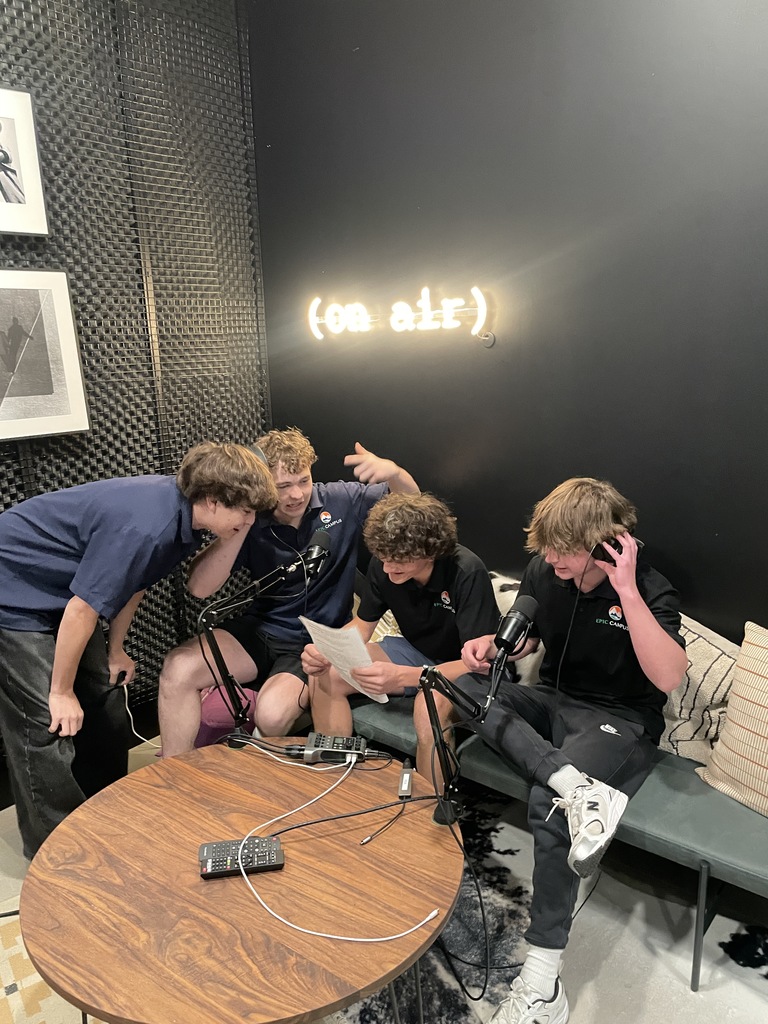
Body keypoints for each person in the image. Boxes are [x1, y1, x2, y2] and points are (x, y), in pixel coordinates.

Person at [458, 477, 687, 1024]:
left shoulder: (651, 589)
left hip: (619, 721)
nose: (550, 560)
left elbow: (669, 677)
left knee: (549, 805)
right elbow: (535, 638)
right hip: (552, 701)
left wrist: (626, 591)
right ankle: (572, 783)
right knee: (463, 688)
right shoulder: (546, 572)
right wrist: (500, 647)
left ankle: (543, 983)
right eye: (546, 549)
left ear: (607, 546)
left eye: (563, 550)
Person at [0, 442, 278, 859]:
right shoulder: (145, 525)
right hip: (14, 593)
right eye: (245, 511)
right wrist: (60, 691)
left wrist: (116, 651)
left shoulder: (184, 522)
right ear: (212, 500)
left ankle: (104, 809)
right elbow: (82, 609)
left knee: (105, 702)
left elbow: (134, 584)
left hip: (67, 596)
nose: (249, 521)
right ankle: (57, 852)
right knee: (48, 721)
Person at [158, 428, 419, 755]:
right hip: (260, 629)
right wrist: (244, 524)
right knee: (178, 668)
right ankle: (174, 773)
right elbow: (199, 588)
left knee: (272, 714)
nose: (296, 494)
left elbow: (413, 505)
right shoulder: (251, 516)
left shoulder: (341, 500)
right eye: (282, 486)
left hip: (313, 641)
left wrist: (395, 473)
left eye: (303, 481)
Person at [304, 492, 500, 784]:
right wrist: (327, 650)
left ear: (430, 551)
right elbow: (362, 625)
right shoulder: (385, 564)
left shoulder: (467, 571)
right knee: (327, 673)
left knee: (428, 705)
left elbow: (479, 664)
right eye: (383, 558)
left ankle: (430, 805)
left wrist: (404, 676)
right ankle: (335, 780)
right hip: (415, 650)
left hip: (470, 668)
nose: (387, 568)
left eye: (398, 560)